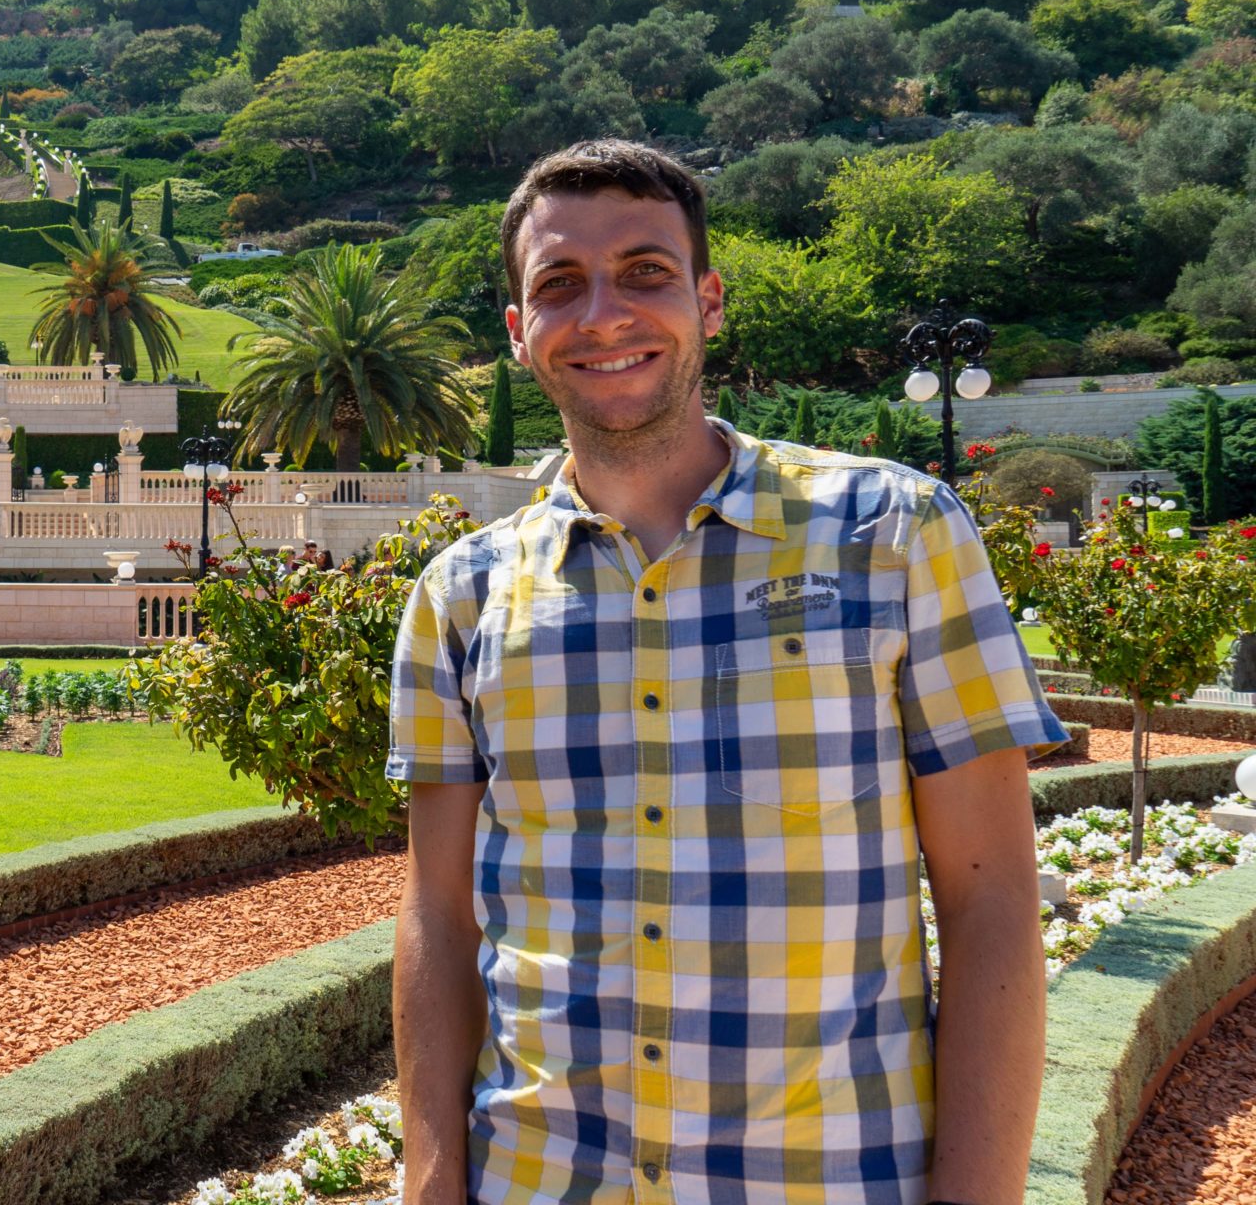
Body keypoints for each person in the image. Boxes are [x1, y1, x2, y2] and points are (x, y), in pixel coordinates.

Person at [389, 140, 1060, 1205]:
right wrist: (430, 1182)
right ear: (520, 334)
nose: (603, 312)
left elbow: (991, 903)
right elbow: (435, 911)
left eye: (645, 272)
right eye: (559, 285)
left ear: (708, 301)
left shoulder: (893, 534)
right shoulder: (461, 596)